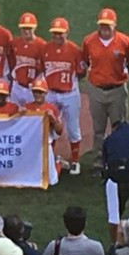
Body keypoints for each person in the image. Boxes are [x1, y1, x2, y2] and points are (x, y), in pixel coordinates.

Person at [82, 8, 129, 168]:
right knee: (98, 129)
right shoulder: (89, 41)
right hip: (96, 89)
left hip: (117, 89)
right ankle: (98, 161)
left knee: (119, 127)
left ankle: (118, 159)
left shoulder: (125, 42)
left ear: (115, 25)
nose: (105, 29)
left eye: (108, 25)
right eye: (102, 25)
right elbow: (85, 60)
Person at [42, 17, 86, 174]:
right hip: (51, 93)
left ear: (67, 33)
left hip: (69, 94)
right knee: (49, 127)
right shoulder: (45, 49)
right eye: (55, 33)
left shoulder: (75, 50)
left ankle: (75, 161)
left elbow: (81, 72)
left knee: (73, 128)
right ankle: (50, 158)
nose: (58, 36)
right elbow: (42, 69)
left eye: (60, 33)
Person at [9, 12, 46, 107]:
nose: (26, 31)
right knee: (14, 112)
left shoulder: (42, 45)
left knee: (32, 113)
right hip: (17, 86)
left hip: (33, 88)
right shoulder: (15, 43)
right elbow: (11, 61)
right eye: (24, 28)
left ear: (35, 28)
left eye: (29, 28)